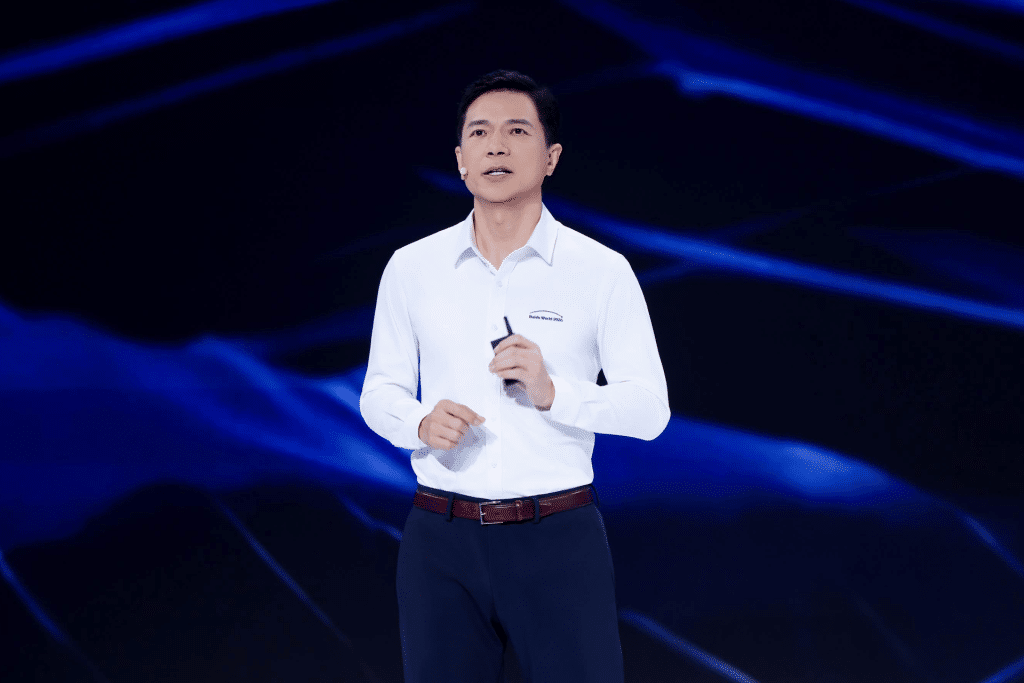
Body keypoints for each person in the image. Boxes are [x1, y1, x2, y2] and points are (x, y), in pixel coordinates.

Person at [360, 69, 670, 683]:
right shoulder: (412, 267)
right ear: (460, 159)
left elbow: (650, 410)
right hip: (440, 539)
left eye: (516, 131)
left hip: (557, 535)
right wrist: (418, 420)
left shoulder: (601, 271)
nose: (495, 146)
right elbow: (379, 393)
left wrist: (558, 393)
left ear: (551, 157)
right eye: (479, 132)